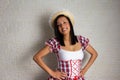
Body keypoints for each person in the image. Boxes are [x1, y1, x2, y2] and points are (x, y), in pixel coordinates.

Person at [33, 10, 98, 80]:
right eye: (59, 25)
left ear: (70, 24)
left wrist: (85, 69)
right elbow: (37, 57)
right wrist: (52, 73)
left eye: (64, 22)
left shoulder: (81, 40)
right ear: (57, 29)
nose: (63, 26)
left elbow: (94, 54)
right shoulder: (56, 43)